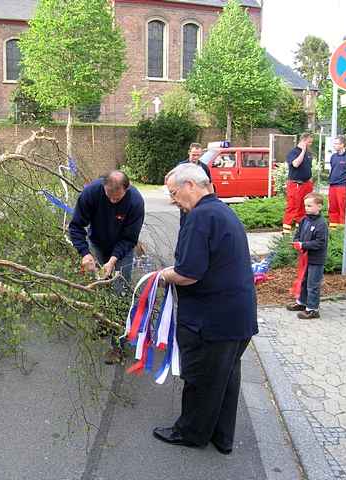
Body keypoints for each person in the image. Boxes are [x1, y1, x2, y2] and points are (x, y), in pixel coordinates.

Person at [153, 163, 258, 455]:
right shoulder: (220, 211)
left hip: (211, 321)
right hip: (237, 318)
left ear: (191, 186)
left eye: (174, 193)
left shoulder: (201, 217)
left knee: (200, 378)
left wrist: (162, 276)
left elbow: (189, 273)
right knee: (224, 379)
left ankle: (191, 432)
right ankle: (221, 436)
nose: (173, 199)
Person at [68, 170, 145, 363]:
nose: (111, 201)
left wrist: (113, 260)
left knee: (119, 292)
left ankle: (117, 345)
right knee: (101, 289)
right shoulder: (91, 193)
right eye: (108, 196)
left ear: (126, 190)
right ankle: (104, 325)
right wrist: (85, 253)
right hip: (98, 245)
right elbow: (76, 226)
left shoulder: (135, 202)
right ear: (104, 186)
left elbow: (130, 238)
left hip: (123, 249)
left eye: (116, 198)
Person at [286, 193, 328, 319]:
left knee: (312, 284)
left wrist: (303, 245)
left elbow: (320, 243)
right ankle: (302, 303)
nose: (307, 208)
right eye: (306, 206)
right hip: (304, 258)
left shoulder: (321, 224)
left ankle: (313, 309)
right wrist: (297, 242)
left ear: (319, 207)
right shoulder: (304, 220)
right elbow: (298, 234)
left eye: (310, 206)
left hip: (316, 260)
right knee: (303, 282)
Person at [282, 133, 314, 235]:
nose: (310, 144)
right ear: (303, 140)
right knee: (292, 206)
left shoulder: (309, 154)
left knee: (303, 207)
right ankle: (286, 231)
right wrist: (303, 151)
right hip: (296, 184)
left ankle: (299, 229)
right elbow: (295, 164)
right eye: (309, 142)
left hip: (306, 184)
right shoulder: (293, 152)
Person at [328, 135, 346, 229]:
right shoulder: (333, 157)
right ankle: (333, 227)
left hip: (343, 186)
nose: (334, 145)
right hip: (332, 185)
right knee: (332, 207)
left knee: (343, 207)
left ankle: (342, 229)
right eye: (334, 143)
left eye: (336, 144)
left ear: (342, 145)